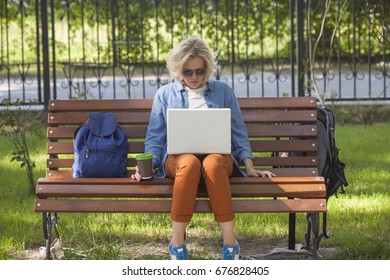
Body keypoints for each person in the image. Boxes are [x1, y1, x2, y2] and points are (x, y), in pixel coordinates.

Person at [132, 37, 275, 260]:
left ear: (206, 68)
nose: (194, 77)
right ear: (178, 70)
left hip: (217, 159)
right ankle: (177, 243)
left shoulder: (223, 91)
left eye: (199, 71)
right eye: (187, 72)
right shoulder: (165, 94)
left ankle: (230, 243)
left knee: (213, 162)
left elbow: (238, 132)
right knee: (189, 162)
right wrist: (146, 166)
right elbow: (155, 138)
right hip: (179, 161)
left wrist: (249, 167)